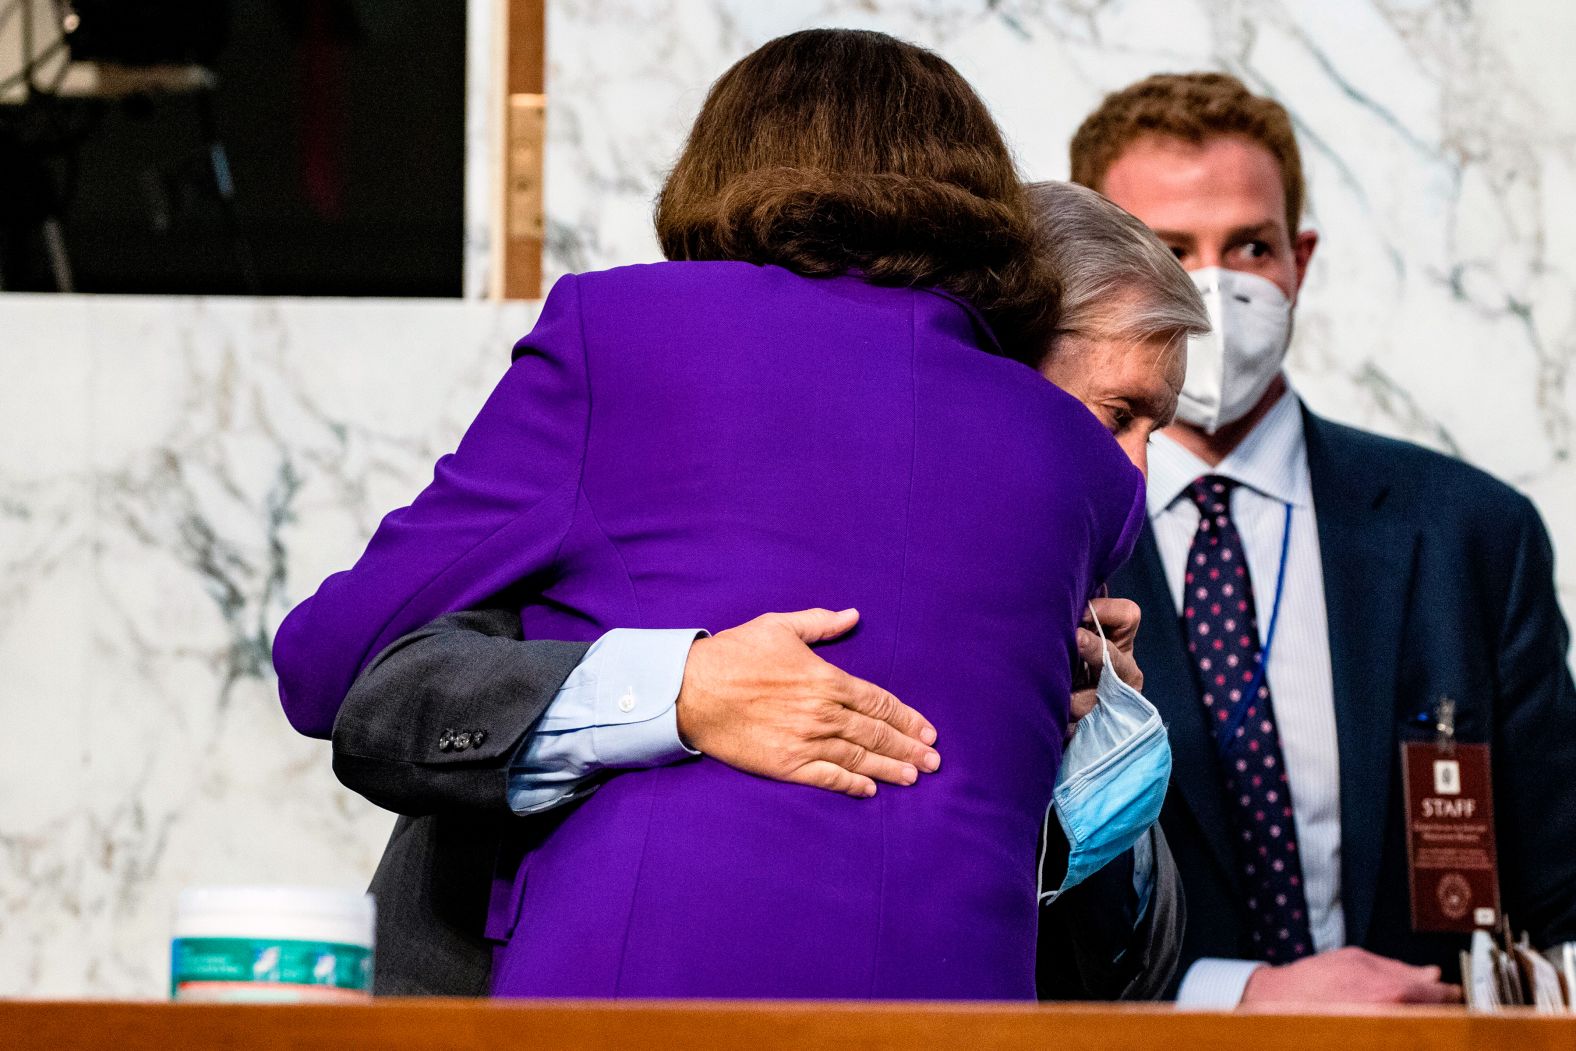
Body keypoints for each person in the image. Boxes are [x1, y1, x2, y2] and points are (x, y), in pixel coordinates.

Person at [275, 31, 1149, 999]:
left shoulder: (623, 336)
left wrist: (655, 680)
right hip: (958, 1009)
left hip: (640, 994)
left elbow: (329, 662)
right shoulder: (1078, 460)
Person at [1067, 71, 1576, 1006]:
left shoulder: (1472, 533)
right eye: (1169, 249)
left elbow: (1558, 886)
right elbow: (1020, 895)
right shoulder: (1043, 540)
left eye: (1249, 246)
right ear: (1094, 275)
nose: (1211, 287)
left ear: (1298, 260)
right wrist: (1238, 995)